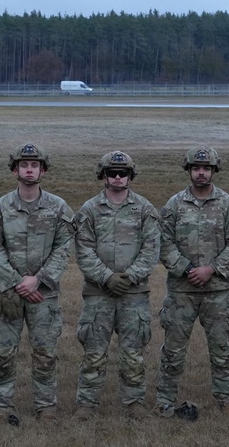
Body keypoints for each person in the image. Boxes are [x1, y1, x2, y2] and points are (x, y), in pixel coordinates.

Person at [0, 143, 75, 425]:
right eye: (24, 165)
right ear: (15, 171)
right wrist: (17, 283)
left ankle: (46, 408)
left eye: (35, 165)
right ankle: (1, 407)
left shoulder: (58, 208)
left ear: (43, 171)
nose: (30, 169)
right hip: (7, 293)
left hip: (43, 295)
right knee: (3, 353)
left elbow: (64, 248)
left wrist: (39, 281)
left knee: (45, 353)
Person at [156, 146, 229, 417]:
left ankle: (226, 400)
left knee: (221, 350)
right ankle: (165, 400)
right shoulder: (174, 205)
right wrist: (185, 269)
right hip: (181, 291)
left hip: (216, 291)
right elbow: (163, 242)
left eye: (206, 168)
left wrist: (212, 269)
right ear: (189, 170)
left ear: (214, 170)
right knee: (172, 350)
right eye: (196, 168)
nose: (201, 173)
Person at [73, 151, 161, 421]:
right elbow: (83, 250)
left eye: (123, 173)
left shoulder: (145, 209)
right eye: (112, 172)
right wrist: (106, 277)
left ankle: (134, 402)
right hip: (98, 293)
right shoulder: (89, 210)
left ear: (131, 176)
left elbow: (151, 249)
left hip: (133, 294)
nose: (118, 177)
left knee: (133, 352)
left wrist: (129, 277)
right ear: (103, 175)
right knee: (94, 351)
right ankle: (87, 404)